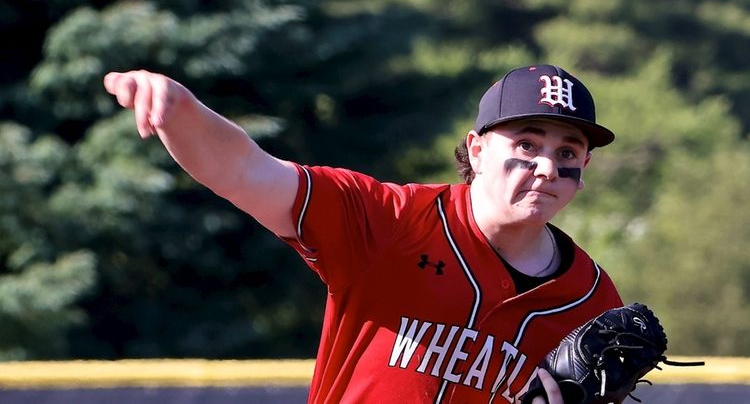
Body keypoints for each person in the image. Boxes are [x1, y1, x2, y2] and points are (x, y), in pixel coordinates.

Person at [103, 64, 623, 404]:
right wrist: (181, 113)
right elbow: (246, 171)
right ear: (479, 149)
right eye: (527, 143)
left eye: (567, 152)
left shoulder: (592, 302)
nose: (546, 167)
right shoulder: (389, 220)